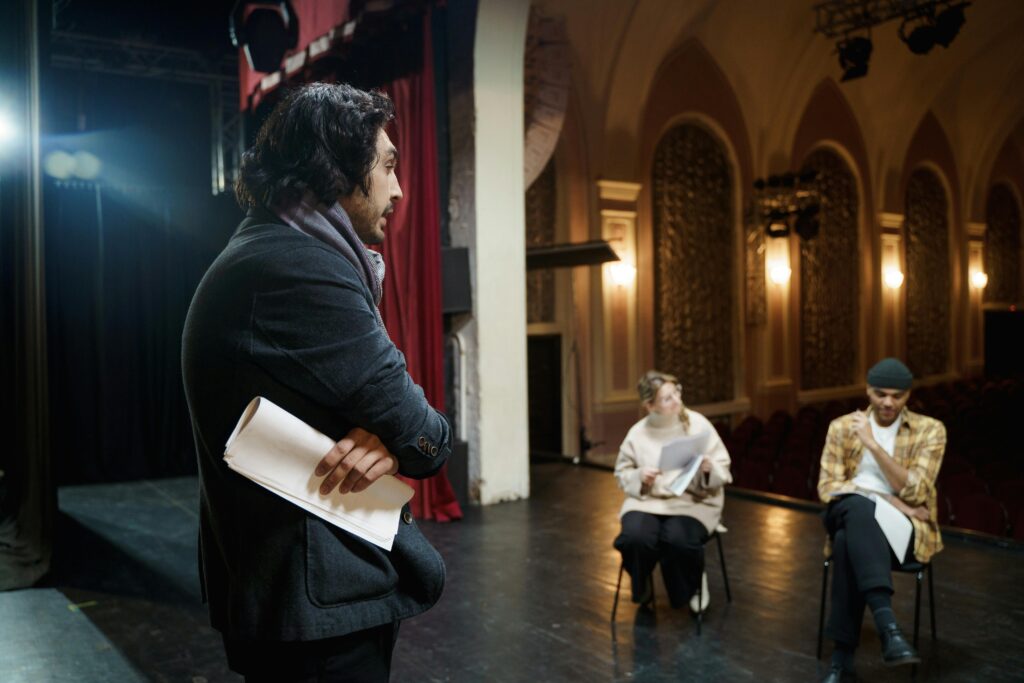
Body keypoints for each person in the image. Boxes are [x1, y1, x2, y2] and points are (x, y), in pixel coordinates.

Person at [181, 83, 452, 682]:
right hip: (314, 615)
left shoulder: (268, 250)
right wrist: (399, 435)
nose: (399, 188)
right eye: (387, 166)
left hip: (295, 599)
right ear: (336, 167)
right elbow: (427, 437)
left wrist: (387, 436)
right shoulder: (300, 268)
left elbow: (395, 425)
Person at [817, 357, 945, 683]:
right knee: (858, 509)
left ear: (908, 395)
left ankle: (841, 659)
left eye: (897, 396)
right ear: (867, 391)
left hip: (899, 532)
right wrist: (886, 498)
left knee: (848, 542)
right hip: (848, 510)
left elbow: (915, 492)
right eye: (880, 394)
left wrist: (873, 445)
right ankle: (889, 628)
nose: (888, 402)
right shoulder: (841, 427)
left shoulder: (930, 429)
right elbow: (827, 488)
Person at [613, 370, 732, 613]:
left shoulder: (697, 424)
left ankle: (692, 584)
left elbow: (723, 467)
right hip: (649, 501)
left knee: (677, 539)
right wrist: (640, 476)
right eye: (667, 398)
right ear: (650, 405)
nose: (677, 400)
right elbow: (622, 473)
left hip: (693, 502)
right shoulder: (637, 433)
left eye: (676, 392)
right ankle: (641, 580)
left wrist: (708, 468)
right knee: (635, 537)